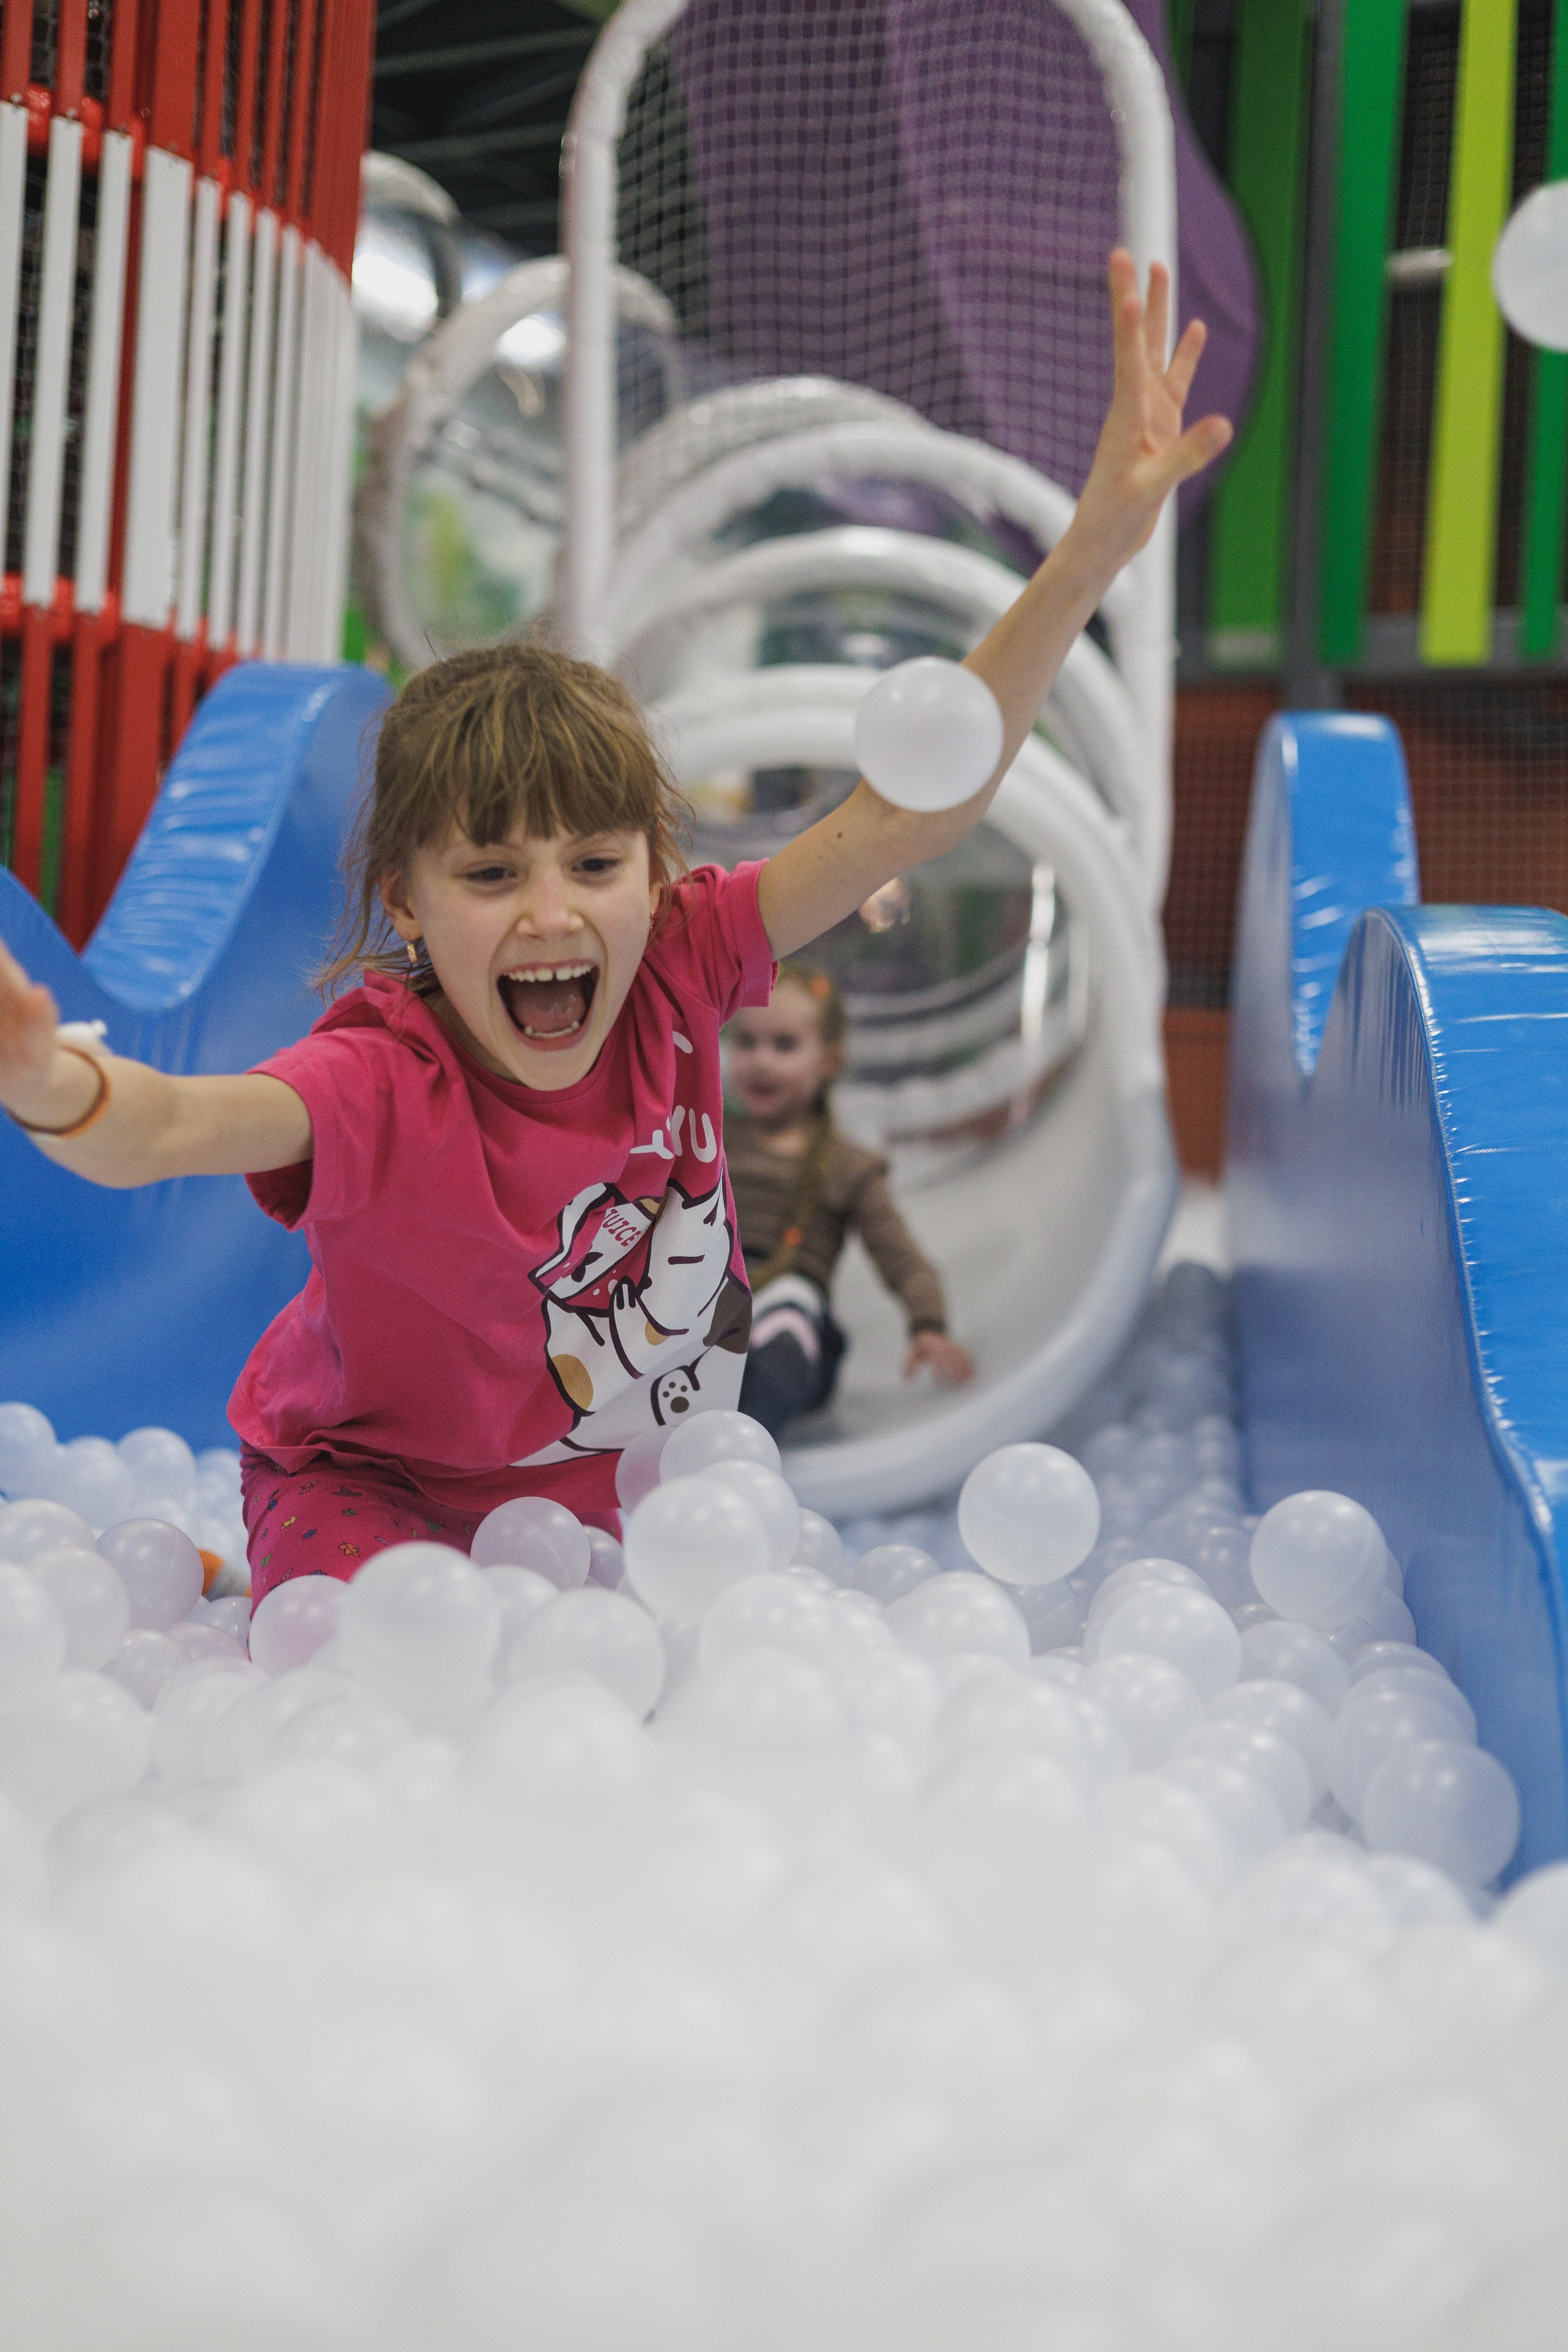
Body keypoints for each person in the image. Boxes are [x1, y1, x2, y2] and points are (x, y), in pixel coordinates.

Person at [0, 255, 1229, 1604]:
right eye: (487, 875)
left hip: (625, 1496)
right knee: (386, 1666)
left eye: (594, 862)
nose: (548, 914)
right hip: (378, 1487)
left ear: (657, 873)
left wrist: (1093, 550)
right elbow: (169, 1128)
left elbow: (908, 811)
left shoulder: (686, 962)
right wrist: (52, 1080)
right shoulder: (381, 1078)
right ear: (405, 903)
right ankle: (236, 1581)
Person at [726, 962, 973, 1436]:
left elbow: (902, 1259)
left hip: (784, 1307)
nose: (761, 1061)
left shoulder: (846, 1165)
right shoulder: (709, 1140)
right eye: (746, 1042)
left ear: (830, 1062)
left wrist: (929, 1325)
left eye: (784, 1045)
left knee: (792, 1314)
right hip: (709, 1300)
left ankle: (741, 1436)